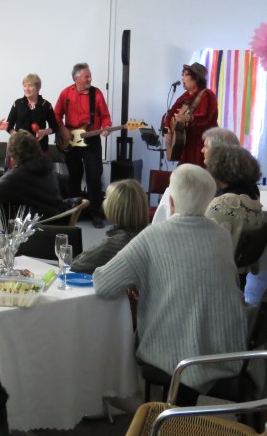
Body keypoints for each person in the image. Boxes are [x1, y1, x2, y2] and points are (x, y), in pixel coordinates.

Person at [93, 164, 249, 404]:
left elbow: (104, 284)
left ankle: (128, 401)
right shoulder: (221, 235)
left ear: (172, 202)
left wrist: (140, 279)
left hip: (174, 360)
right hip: (227, 351)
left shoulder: (152, 236)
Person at [54, 62, 112, 228]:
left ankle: (96, 213)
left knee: (94, 175)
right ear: (76, 78)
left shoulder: (96, 93)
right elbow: (56, 115)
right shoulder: (66, 93)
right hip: (70, 139)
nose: (90, 79)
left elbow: (105, 116)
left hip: (91, 138)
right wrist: (63, 130)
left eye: (90, 76)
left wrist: (106, 127)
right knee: (74, 175)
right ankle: (74, 212)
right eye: (87, 76)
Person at [151, 127, 240, 225]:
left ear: (218, 151)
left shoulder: (216, 182)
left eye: (205, 146)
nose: (202, 150)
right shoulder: (237, 178)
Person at [0, 130, 68, 221]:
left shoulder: (17, 176)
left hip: (35, 226)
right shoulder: (48, 169)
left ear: (13, 154)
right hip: (58, 221)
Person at [71, 179, 149, 274]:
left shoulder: (114, 244)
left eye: (106, 198)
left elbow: (76, 266)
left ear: (115, 207)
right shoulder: (150, 234)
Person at [204, 144, 263, 250]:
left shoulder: (224, 204)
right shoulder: (252, 197)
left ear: (219, 169)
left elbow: (202, 242)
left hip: (219, 258)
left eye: (209, 166)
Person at [162, 62, 218, 168]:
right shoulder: (185, 96)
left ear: (196, 78)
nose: (182, 78)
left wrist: (190, 118)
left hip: (202, 146)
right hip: (187, 146)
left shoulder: (207, 95)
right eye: (182, 75)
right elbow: (171, 113)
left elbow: (207, 118)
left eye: (186, 75)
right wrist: (167, 128)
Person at [6, 74, 58, 153]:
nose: (26, 89)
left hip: (40, 149)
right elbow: (8, 126)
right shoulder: (17, 103)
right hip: (19, 149)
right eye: (24, 86)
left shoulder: (46, 105)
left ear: (37, 88)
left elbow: (55, 127)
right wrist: (17, 136)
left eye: (30, 86)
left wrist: (44, 132)